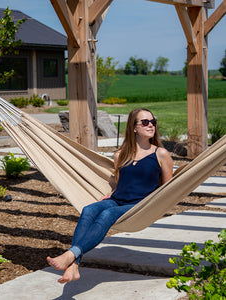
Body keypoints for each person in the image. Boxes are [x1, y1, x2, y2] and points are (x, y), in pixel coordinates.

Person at [47, 108, 173, 284]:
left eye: (153, 122)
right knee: (89, 209)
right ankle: (74, 266)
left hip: (140, 205)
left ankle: (71, 255)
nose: (150, 125)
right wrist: (112, 191)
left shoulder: (160, 154)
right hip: (117, 200)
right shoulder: (120, 155)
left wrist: (157, 205)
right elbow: (121, 181)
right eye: (145, 122)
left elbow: (169, 188)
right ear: (134, 128)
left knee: (106, 215)